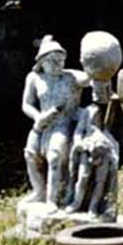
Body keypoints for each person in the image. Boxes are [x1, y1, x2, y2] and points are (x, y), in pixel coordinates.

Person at [21, 36, 88, 209]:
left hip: (62, 124)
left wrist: (93, 67)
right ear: (41, 62)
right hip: (42, 123)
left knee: (55, 156)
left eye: (61, 60)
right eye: (52, 60)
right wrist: (37, 117)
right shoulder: (34, 78)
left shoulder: (71, 77)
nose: (58, 64)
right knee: (30, 154)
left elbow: (91, 77)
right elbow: (26, 104)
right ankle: (39, 191)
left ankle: (53, 199)